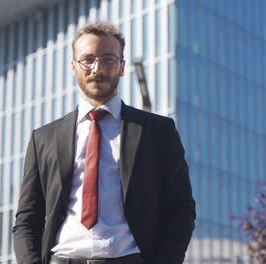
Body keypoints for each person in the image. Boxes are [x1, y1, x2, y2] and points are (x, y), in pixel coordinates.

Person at [12, 22, 196, 264]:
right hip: (63, 258)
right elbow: (27, 218)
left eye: (108, 59)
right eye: (87, 59)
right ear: (73, 66)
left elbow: (181, 208)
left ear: (122, 67)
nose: (97, 68)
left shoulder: (158, 132)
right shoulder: (43, 139)